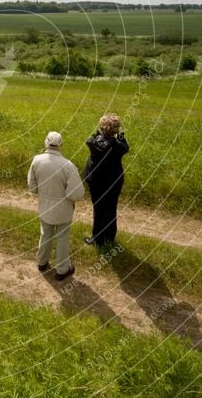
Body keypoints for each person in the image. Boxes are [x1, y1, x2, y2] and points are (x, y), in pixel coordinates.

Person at [27, 131, 85, 280]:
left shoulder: (36, 160)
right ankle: (62, 270)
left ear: (45, 143)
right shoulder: (68, 165)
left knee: (45, 234)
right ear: (61, 145)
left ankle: (42, 262)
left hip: (44, 205)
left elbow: (32, 187)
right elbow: (77, 193)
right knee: (62, 237)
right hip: (63, 208)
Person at [84, 113, 129, 247]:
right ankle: (109, 237)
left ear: (101, 128)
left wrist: (97, 134)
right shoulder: (119, 147)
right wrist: (121, 138)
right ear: (116, 130)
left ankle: (97, 238)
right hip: (114, 180)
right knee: (111, 208)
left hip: (96, 180)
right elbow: (126, 148)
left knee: (98, 208)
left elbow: (89, 139)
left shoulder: (93, 142)